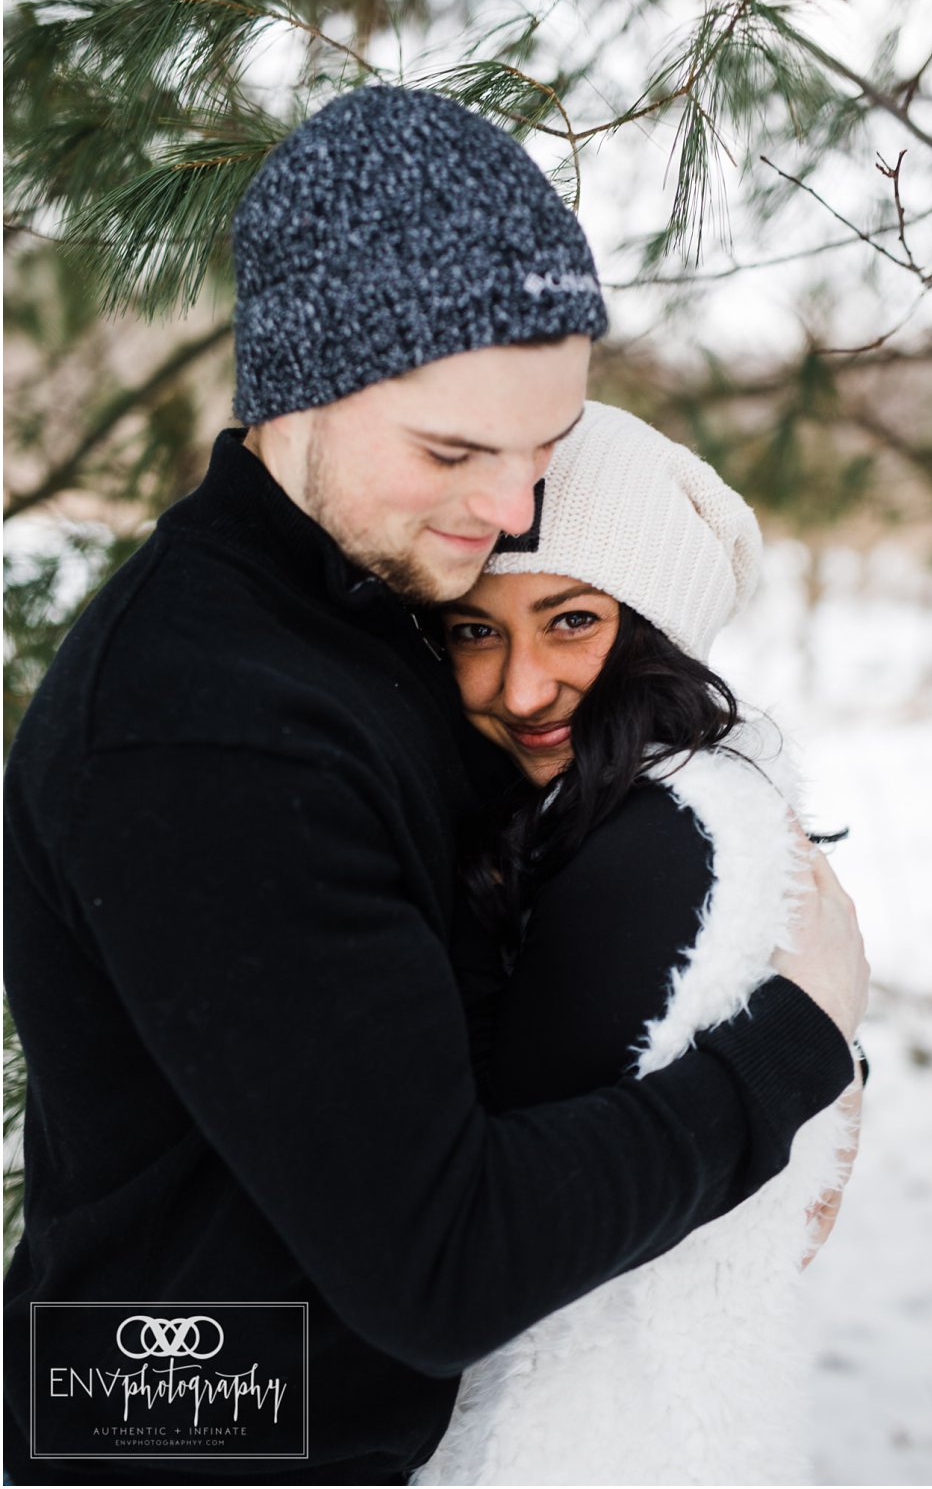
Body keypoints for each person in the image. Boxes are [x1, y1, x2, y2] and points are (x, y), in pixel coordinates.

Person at [2, 86, 866, 1484]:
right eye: (455, 453)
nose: (510, 509)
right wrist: (786, 1060)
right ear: (298, 387)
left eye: (543, 448)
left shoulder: (378, 603)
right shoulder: (208, 727)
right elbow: (441, 1264)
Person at [410, 402, 863, 1485]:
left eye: (572, 622)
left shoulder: (647, 850)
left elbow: (500, 1244)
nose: (522, 687)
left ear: (654, 627)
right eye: (477, 630)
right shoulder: (668, 806)